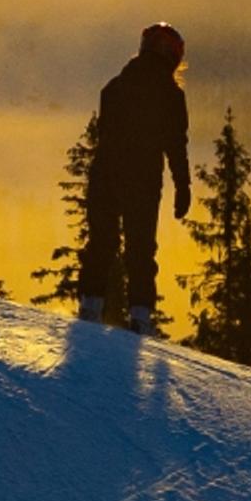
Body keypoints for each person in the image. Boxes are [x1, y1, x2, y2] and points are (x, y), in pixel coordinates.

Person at [82, 23, 191, 328]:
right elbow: (176, 144)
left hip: (106, 172)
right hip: (143, 179)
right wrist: (182, 185)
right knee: (140, 249)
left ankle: (90, 307)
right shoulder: (170, 95)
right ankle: (140, 316)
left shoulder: (115, 87)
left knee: (101, 242)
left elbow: (104, 130)